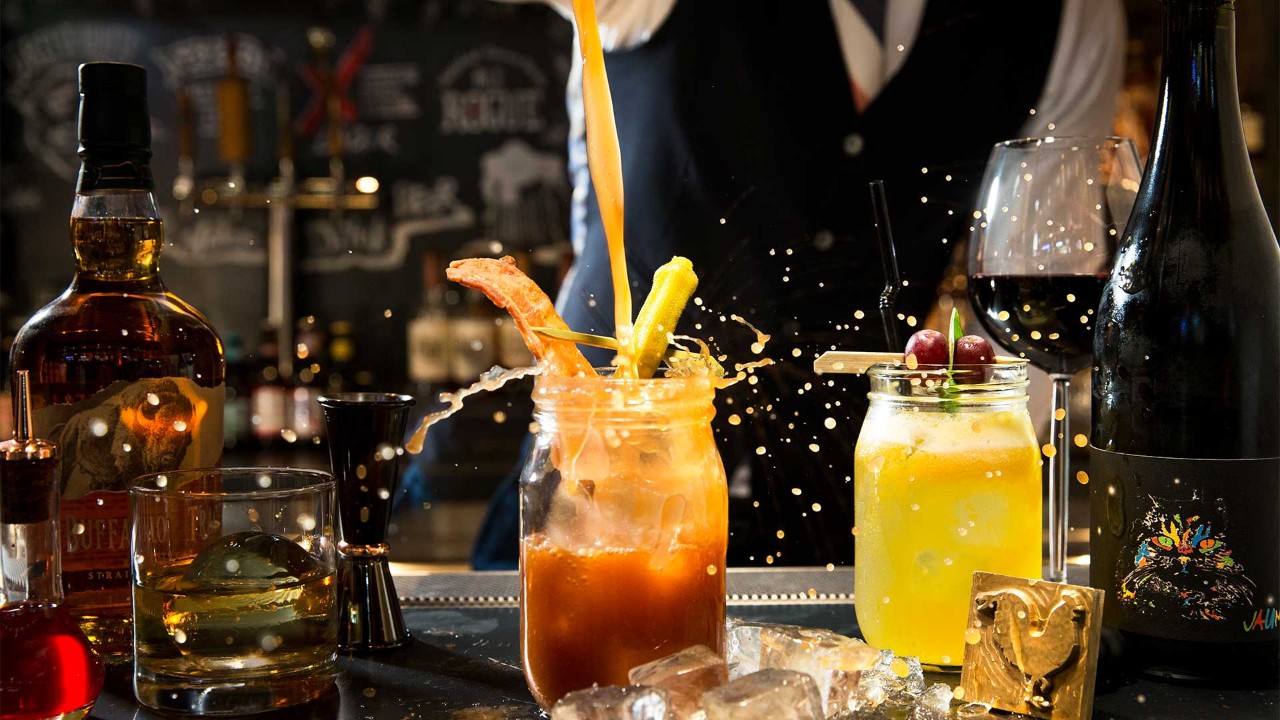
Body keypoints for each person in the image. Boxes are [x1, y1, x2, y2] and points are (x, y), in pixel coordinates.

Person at [473, 0, 1125, 568]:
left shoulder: (1066, 12)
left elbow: (1034, 298)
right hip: (599, 476)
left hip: (852, 511)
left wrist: (958, 484)